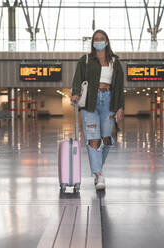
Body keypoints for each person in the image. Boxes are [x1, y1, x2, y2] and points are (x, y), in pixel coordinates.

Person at [71, 29, 124, 190]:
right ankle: (99, 176)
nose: (99, 41)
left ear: (107, 41)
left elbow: (120, 87)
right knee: (93, 138)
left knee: (105, 139)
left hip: (109, 101)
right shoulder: (85, 60)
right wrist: (74, 94)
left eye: (102, 38)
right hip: (90, 103)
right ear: (93, 42)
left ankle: (97, 168)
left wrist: (120, 107)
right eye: (96, 39)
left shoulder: (115, 62)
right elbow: (77, 78)